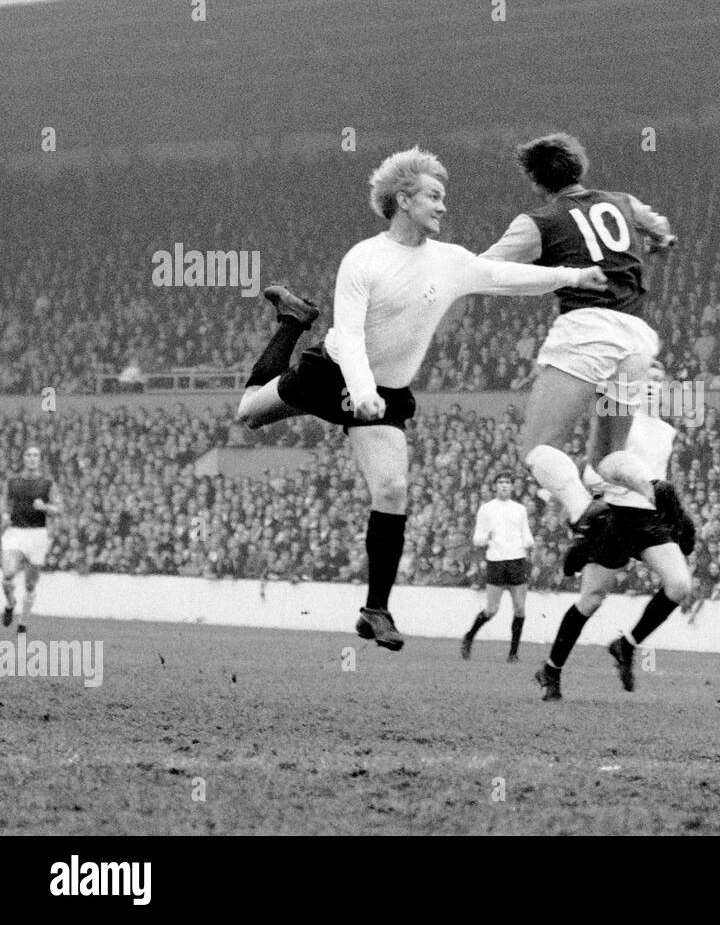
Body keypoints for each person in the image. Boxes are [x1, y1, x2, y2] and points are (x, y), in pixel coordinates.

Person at [234, 146, 608, 651]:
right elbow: (348, 339)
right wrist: (361, 393)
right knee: (249, 415)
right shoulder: (364, 259)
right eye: (434, 196)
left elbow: (503, 277)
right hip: (334, 373)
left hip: (384, 393)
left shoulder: (449, 261)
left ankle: (375, 610)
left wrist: (571, 276)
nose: (443, 206)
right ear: (404, 199)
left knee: (391, 488)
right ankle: (293, 323)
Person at [481, 132, 676, 545]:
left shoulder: (538, 222)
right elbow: (660, 229)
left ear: (536, 182)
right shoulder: (623, 201)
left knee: (536, 447)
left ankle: (584, 513)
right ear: (580, 167)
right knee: (606, 457)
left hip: (588, 334)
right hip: (637, 341)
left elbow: (486, 269)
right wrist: (660, 241)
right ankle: (655, 490)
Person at [534, 388, 695, 702]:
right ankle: (551, 669)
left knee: (679, 585)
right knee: (591, 599)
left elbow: (662, 480)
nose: (655, 386)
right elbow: (593, 473)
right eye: (649, 378)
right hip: (615, 516)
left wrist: (677, 512)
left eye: (660, 380)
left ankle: (626, 645)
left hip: (649, 520)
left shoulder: (666, 431)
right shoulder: (620, 419)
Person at [460, 474, 534, 663]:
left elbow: (527, 534)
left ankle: (513, 653)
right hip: (497, 562)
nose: (504, 486)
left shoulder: (520, 509)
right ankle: (469, 636)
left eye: (507, 483)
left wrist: (529, 544)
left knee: (520, 609)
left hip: (517, 561)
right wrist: (486, 537)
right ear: (495, 486)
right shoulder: (486, 509)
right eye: (501, 483)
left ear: (512, 486)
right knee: (491, 610)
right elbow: (478, 538)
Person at [1, 446, 63, 633]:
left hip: (37, 534)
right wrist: (4, 514)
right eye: (28, 454)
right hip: (15, 532)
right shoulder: (12, 482)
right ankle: (11, 603)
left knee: (30, 583)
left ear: (40, 459)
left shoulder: (48, 483)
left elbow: (58, 509)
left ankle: (23, 622)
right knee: (9, 573)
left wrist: (44, 507)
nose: (32, 458)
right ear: (23, 458)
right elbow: (4, 503)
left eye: (35, 455)